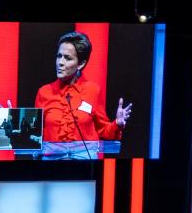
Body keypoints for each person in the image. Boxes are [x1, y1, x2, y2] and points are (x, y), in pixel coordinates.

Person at [34, 31, 132, 160]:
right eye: (59, 56)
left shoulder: (93, 90)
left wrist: (117, 124)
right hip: (52, 166)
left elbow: (103, 131)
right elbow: (34, 136)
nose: (60, 62)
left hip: (84, 165)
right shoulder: (44, 92)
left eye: (67, 58)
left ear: (81, 64)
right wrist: (13, 121)